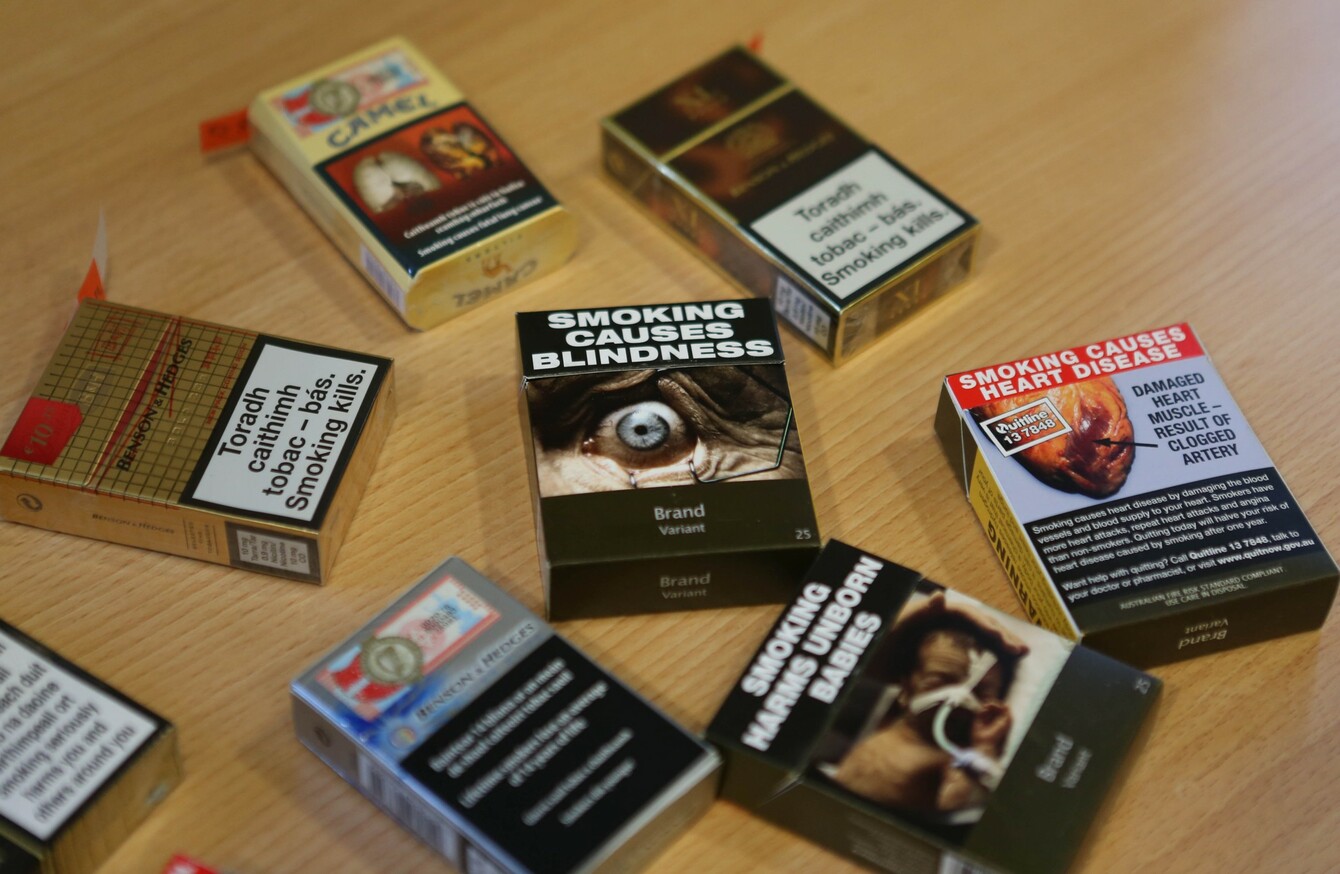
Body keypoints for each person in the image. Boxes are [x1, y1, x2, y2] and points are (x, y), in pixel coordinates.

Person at [831, 591, 1028, 815]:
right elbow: (862, 648)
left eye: (981, 693)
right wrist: (933, 608)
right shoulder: (887, 725)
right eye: (938, 682)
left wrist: (985, 748)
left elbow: (958, 803)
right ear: (905, 690)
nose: (958, 698)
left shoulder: (954, 757)